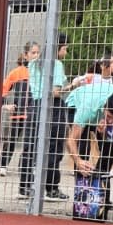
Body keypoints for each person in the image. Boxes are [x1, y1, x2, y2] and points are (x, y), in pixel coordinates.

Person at [66, 90, 113, 219]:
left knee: (110, 150)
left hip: (98, 111)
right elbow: (71, 140)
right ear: (105, 106)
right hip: (78, 104)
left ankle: (101, 202)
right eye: (109, 116)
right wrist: (78, 161)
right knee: (82, 149)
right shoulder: (88, 108)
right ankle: (81, 206)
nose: (111, 120)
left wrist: (104, 133)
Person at [30, 33, 71, 199]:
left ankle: (35, 183)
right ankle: (51, 187)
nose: (66, 52)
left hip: (38, 105)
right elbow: (55, 91)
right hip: (53, 107)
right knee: (55, 147)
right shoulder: (57, 64)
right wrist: (73, 84)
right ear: (59, 48)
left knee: (39, 145)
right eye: (65, 49)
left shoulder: (33, 64)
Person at [0, 45, 32, 178]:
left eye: (37, 53)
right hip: (18, 114)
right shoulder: (17, 72)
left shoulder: (41, 72)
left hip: (33, 114)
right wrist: (6, 105)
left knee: (31, 142)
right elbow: (1, 91)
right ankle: (2, 165)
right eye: (32, 53)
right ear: (25, 55)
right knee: (11, 140)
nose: (35, 55)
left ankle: (26, 167)